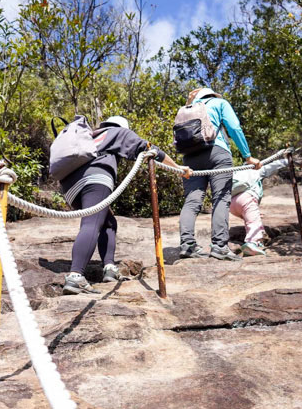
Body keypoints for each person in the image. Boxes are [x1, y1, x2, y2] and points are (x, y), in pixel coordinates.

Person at [59, 115, 186, 295]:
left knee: (109, 222)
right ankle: (75, 276)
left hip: (69, 187)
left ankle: (109, 268)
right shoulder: (117, 132)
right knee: (92, 223)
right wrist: (179, 168)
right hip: (95, 178)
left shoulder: (93, 136)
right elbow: (149, 148)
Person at [177, 87, 261, 261]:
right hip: (217, 153)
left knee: (192, 200)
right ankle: (219, 246)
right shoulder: (219, 103)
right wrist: (247, 156)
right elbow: (235, 127)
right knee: (221, 198)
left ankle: (187, 245)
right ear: (212, 95)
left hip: (190, 158)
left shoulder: (187, 109)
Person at [230, 158, 290, 256]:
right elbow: (274, 165)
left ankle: (257, 242)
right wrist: (287, 160)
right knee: (254, 222)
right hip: (247, 199)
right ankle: (252, 242)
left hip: (232, 204)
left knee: (249, 219)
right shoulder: (256, 169)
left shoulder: (239, 171)